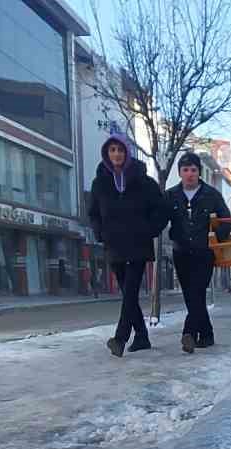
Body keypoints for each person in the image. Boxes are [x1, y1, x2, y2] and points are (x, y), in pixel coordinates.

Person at [87, 133, 168, 357]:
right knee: (127, 293)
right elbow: (93, 212)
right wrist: (100, 233)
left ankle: (120, 338)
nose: (116, 154)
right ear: (107, 153)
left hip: (138, 244)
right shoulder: (99, 182)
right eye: (112, 150)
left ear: (127, 152)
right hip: (114, 245)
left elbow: (162, 210)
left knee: (131, 290)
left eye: (120, 150)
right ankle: (141, 336)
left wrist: (149, 230)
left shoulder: (144, 181)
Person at [165, 152, 231, 353]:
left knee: (197, 291)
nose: (189, 174)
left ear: (199, 172)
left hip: (205, 253)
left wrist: (215, 238)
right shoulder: (171, 195)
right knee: (191, 296)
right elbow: (159, 216)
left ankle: (189, 334)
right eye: (185, 170)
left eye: (193, 170)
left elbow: (226, 220)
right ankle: (207, 334)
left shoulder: (211, 194)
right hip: (181, 252)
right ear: (179, 173)